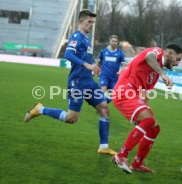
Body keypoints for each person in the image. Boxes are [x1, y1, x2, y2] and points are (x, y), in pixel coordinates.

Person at [24, 9, 116, 155]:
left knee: (104, 110)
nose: (91, 25)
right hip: (77, 83)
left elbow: (87, 60)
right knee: (71, 118)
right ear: (81, 21)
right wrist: (85, 65)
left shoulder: (87, 40)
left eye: (93, 22)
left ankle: (103, 147)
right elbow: (68, 53)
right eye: (89, 22)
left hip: (89, 82)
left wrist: (94, 68)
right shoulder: (76, 36)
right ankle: (40, 109)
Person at [111, 44, 182, 173]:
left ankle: (137, 163)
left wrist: (143, 111)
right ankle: (121, 155)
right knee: (148, 121)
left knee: (154, 127)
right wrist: (162, 74)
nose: (177, 63)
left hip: (133, 94)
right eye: (178, 59)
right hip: (124, 90)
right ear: (170, 53)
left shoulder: (156, 72)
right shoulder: (157, 52)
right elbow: (149, 57)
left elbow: (145, 92)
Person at [97, 35, 125, 103]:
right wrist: (96, 69)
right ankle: (101, 106)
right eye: (113, 41)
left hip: (114, 77)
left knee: (112, 95)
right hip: (104, 75)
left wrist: (121, 71)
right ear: (109, 41)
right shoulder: (103, 51)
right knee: (103, 89)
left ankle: (102, 104)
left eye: (116, 41)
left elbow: (123, 64)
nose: (114, 43)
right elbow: (99, 62)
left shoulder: (120, 53)